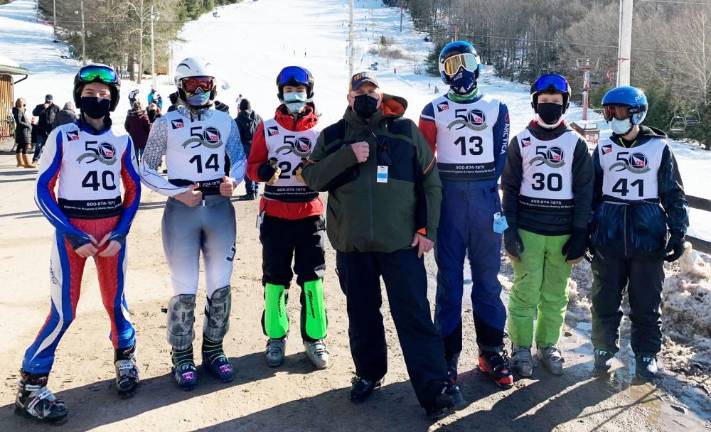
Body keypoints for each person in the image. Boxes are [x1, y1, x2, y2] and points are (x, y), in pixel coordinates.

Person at [301, 72, 458, 421]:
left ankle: (434, 389)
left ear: (381, 94)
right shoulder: (333, 135)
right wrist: (345, 156)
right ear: (348, 97)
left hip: (401, 244)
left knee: (414, 315)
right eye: (360, 91)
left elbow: (431, 182)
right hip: (353, 245)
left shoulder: (405, 132)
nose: (366, 96)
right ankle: (369, 372)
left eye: (372, 90)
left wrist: (427, 229)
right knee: (362, 314)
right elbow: (309, 177)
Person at [16, 64, 141, 424]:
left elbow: (133, 189)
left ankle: (125, 358)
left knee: (115, 302)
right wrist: (70, 232)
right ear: (78, 96)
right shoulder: (62, 136)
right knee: (64, 312)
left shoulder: (122, 141)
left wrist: (120, 232)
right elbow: (43, 189)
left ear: (113, 100)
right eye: (90, 94)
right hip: (72, 236)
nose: (97, 99)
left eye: (104, 95)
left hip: (111, 236)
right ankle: (30, 385)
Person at [140, 57, 246, 390]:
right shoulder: (165, 122)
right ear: (180, 86)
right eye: (192, 84)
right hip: (182, 207)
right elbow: (146, 168)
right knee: (184, 285)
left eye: (206, 83)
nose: (200, 90)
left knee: (220, 283)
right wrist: (175, 192)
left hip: (218, 206)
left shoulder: (224, 119)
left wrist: (235, 182)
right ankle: (182, 354)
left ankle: (214, 348)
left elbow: (240, 158)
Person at [418, 40, 512, 390]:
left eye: (465, 62)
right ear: (442, 72)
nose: (459, 71)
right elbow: (425, 162)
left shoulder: (496, 106)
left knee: (488, 281)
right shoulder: (433, 109)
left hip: (486, 202)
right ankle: (447, 354)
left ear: (477, 64)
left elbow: (500, 155)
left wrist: (486, 188)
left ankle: (490, 350)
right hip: (449, 202)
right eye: (450, 65)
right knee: (450, 282)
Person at [590, 86, 688, 381]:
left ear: (636, 113)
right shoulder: (604, 147)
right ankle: (604, 349)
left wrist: (678, 230)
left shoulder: (659, 147)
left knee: (646, 299)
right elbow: (592, 193)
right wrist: (585, 230)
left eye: (619, 111)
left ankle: (646, 353)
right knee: (604, 296)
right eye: (609, 112)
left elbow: (673, 192)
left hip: (646, 233)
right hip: (609, 232)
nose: (614, 117)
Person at [501, 73, 593, 377]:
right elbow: (510, 188)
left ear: (565, 104)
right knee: (525, 292)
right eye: (544, 102)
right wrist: (510, 229)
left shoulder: (575, 143)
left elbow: (584, 191)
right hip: (528, 230)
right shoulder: (521, 141)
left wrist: (581, 233)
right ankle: (521, 347)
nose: (549, 106)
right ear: (535, 104)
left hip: (562, 233)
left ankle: (548, 344)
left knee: (555, 294)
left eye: (555, 102)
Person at [246, 66, 329, 369]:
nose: (295, 96)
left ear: (309, 93)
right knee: (275, 280)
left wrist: (313, 173)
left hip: (309, 214)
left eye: (300, 91)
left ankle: (315, 337)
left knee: (313, 279)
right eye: (289, 91)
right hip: (276, 212)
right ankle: (276, 337)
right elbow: (252, 166)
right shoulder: (267, 128)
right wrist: (263, 173)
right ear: (280, 93)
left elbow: (329, 171)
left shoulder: (320, 130)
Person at [236, 98, 262, 199]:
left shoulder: (238, 120)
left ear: (241, 108)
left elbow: (237, 137)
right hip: (258, 146)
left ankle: (250, 192)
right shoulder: (258, 117)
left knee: (247, 169)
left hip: (245, 146)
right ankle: (255, 191)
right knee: (256, 167)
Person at [31, 94, 60, 165]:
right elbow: (34, 113)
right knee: (38, 146)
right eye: (47, 101)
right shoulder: (40, 106)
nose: (48, 102)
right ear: (45, 100)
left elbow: (60, 118)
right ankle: (35, 160)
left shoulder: (56, 108)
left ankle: (52, 161)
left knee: (52, 147)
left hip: (52, 130)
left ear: (52, 100)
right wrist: (43, 108)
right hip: (41, 130)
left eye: (50, 101)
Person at [12, 97, 32, 168]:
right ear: (21, 103)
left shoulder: (19, 110)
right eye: (24, 104)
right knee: (25, 146)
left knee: (20, 146)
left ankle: (20, 162)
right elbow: (19, 121)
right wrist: (28, 125)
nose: (25, 106)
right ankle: (27, 163)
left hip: (22, 131)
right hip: (23, 131)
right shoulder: (18, 111)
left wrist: (24, 109)